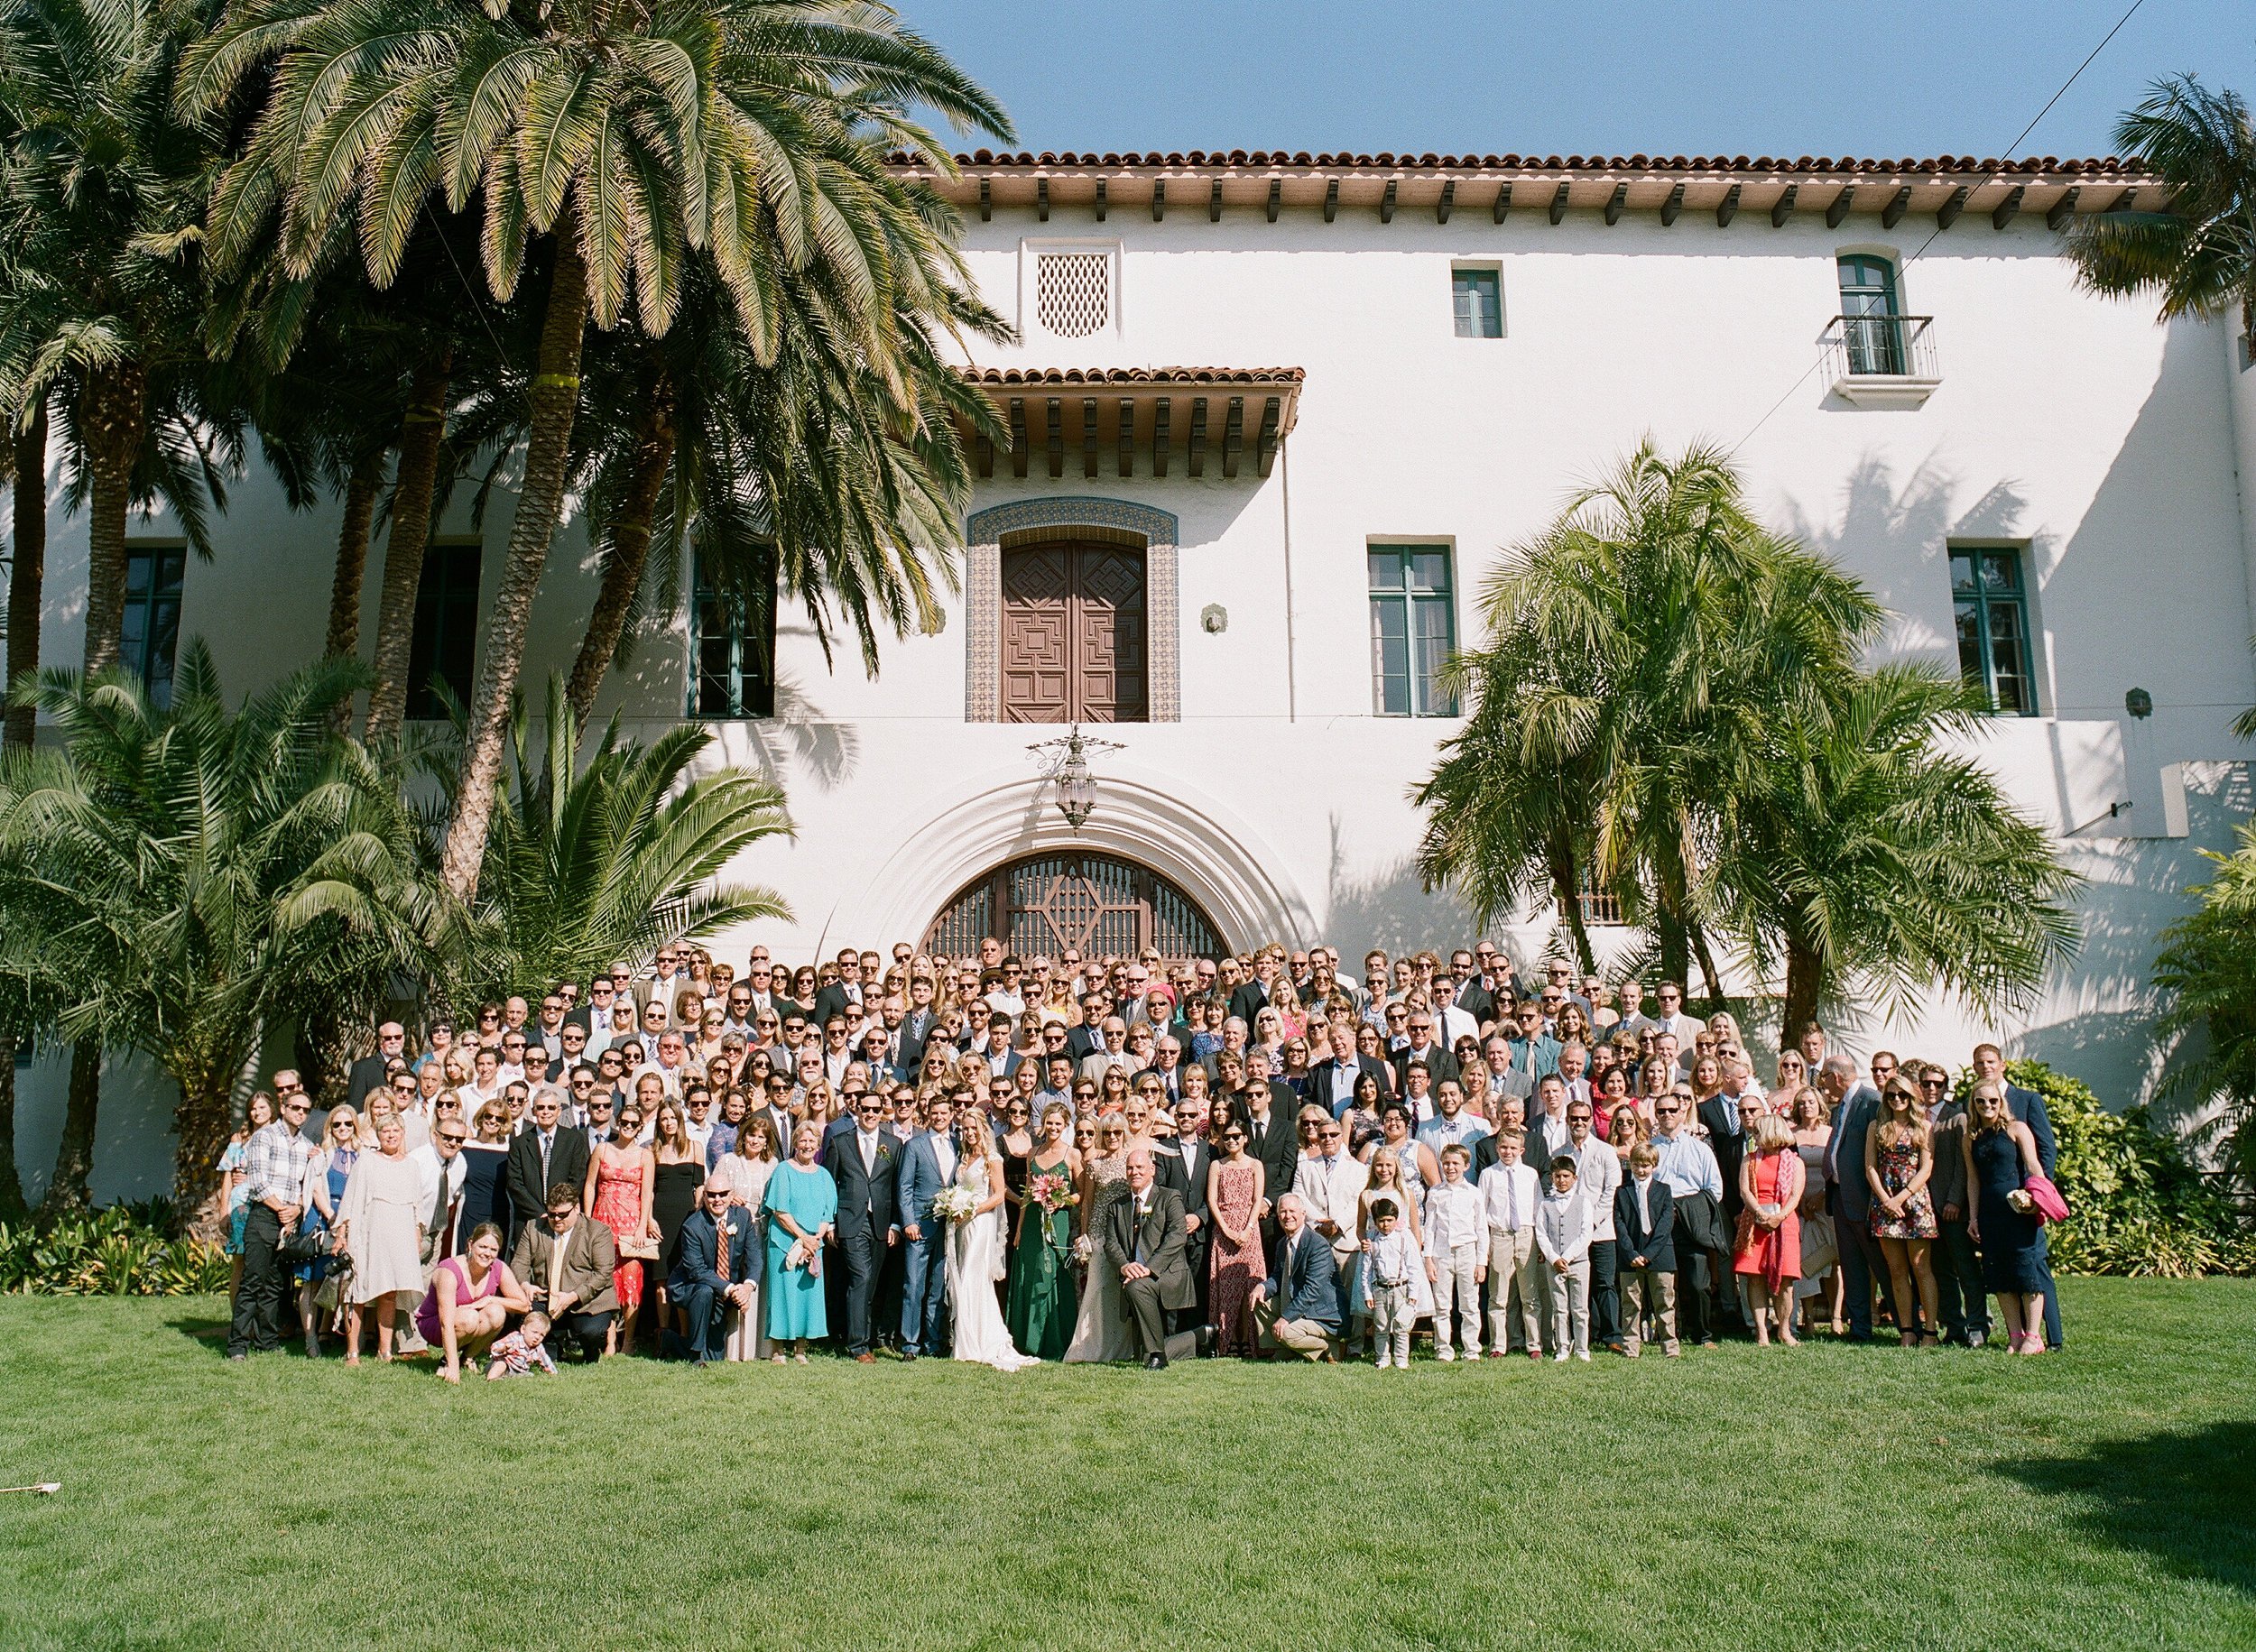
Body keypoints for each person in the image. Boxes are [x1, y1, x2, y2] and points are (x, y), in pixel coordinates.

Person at [945, 1112, 1038, 1370]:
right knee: (964, 1276)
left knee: (974, 1279)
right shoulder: (964, 1157)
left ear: (982, 1129)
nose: (969, 1133)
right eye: (965, 1128)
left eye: (973, 1128)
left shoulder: (992, 1158)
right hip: (963, 1226)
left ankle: (982, 1341)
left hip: (981, 1223)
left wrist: (971, 1210)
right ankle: (966, 1343)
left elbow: (998, 1195)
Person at [1965, 1080, 2049, 1355]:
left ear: (2001, 1102)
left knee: (2026, 1273)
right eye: (1981, 1102)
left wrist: (2039, 1203)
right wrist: (1973, 1218)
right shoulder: (1971, 1135)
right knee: (2000, 1276)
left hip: (2018, 1211)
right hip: (1990, 1214)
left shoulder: (2017, 1129)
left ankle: (2034, 1336)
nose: (1987, 1106)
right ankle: (2015, 1335)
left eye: (1993, 1101)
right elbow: (1972, 1180)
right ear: (1973, 1104)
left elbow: (2034, 1166)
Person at [227, 1088, 311, 1361]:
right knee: (253, 1280)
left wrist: (296, 1209)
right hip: (264, 1215)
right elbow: (258, 1181)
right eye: (295, 1107)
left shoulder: (305, 1145)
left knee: (276, 1283)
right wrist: (281, 1209)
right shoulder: (264, 1137)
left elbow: (305, 1186)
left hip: (288, 1221)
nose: (300, 1112)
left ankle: (267, 1340)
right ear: (283, 1108)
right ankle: (238, 1344)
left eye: (305, 1110)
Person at [336, 1114, 425, 1365]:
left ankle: (384, 1350)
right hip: (369, 1233)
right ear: (378, 1134)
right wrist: (344, 1232)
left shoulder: (411, 1165)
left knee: (389, 1292)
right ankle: (352, 1350)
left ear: (402, 1133)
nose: (391, 1135)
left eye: (395, 1130)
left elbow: (417, 1206)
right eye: (385, 1130)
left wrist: (417, 1236)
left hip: (400, 1235)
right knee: (360, 1291)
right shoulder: (366, 1161)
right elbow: (351, 1199)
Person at [820, 1091, 900, 1362]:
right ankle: (858, 1346)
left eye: (875, 1110)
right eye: (865, 1109)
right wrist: (829, 1222)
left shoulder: (893, 1143)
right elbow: (829, 1184)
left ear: (882, 1112)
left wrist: (896, 1225)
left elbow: (896, 1186)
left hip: (879, 1222)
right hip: (850, 1220)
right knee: (861, 1278)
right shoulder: (840, 1142)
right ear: (857, 1110)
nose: (870, 1114)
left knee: (871, 1284)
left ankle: (863, 1337)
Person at [509, 1180, 620, 1362]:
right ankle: (553, 1350)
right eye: (552, 1214)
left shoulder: (598, 1232)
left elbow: (603, 1274)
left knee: (590, 1332)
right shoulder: (533, 1227)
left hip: (586, 1301)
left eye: (563, 1214)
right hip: (546, 1298)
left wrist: (574, 1296)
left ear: (576, 1208)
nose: (556, 1219)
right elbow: (519, 1262)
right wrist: (525, 1284)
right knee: (523, 1318)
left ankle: (592, 1352)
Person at [1866, 1077, 1941, 1346]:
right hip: (1885, 1204)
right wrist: (1887, 1200)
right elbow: (1871, 1167)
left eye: (1902, 1095)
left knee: (1922, 1268)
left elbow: (1926, 1168)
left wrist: (1902, 1197)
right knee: (1896, 1270)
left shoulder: (1923, 1127)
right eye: (1891, 1095)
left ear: (1911, 1097)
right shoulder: (1877, 1127)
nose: (1897, 1099)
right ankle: (1907, 1330)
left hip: (1915, 1203)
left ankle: (1930, 1331)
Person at [1006, 1101, 1081, 1359]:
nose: (1053, 1127)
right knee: (1031, 1275)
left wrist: (1061, 1200)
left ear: (1065, 1125)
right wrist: (1017, 1230)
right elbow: (1027, 1195)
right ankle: (1028, 1341)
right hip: (1032, 1224)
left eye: (1058, 1124)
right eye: (1049, 1122)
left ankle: (1054, 1340)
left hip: (1058, 1222)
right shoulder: (1032, 1153)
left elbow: (1081, 1194)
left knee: (1052, 1276)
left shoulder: (1073, 1155)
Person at [416, 1222, 529, 1382]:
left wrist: (490, 1299)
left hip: (469, 1321)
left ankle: (468, 1358)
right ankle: (448, 1361)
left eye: (493, 1250)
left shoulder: (498, 1268)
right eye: (482, 1247)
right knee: (469, 1318)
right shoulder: (449, 1271)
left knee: (497, 1312)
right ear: (470, 1244)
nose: (487, 1253)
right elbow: (446, 1323)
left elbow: (524, 1305)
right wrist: (452, 1368)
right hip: (435, 1324)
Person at [585, 1104, 657, 1356]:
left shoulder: (645, 1155)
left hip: (630, 1222)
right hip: (603, 1219)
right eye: (624, 1122)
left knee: (630, 1280)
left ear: (640, 1127)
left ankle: (628, 1339)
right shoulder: (602, 1149)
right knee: (605, 1280)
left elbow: (647, 1193)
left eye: (633, 1124)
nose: (627, 1127)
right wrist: (587, 1219)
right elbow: (590, 1185)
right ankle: (609, 1340)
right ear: (618, 1122)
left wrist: (642, 1226)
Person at [766, 1122, 839, 1362]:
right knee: (782, 1295)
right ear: (795, 1143)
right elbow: (780, 1211)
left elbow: (827, 1215)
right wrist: (802, 1238)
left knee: (806, 1296)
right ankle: (778, 1350)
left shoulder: (824, 1175)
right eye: (802, 1141)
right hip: (785, 1243)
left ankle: (800, 1350)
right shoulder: (783, 1170)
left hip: (812, 1247)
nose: (807, 1146)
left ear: (818, 1146)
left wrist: (814, 1240)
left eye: (812, 1141)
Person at [1733, 1112, 1806, 1346]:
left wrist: (1779, 1217)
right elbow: (1745, 1191)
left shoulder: (1795, 1162)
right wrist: (1760, 1214)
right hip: (1756, 1222)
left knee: (1786, 1281)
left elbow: (1796, 1194)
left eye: (1757, 1132)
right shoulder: (1750, 1159)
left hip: (1785, 1223)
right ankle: (1761, 1331)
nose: (1754, 1136)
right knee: (1755, 1278)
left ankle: (1784, 1330)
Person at [895, 1091, 958, 1361]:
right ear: (927, 1116)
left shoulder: (958, 1144)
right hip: (919, 1225)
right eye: (935, 1113)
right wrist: (908, 1221)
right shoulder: (915, 1145)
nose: (939, 1117)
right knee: (913, 1286)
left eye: (944, 1113)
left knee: (937, 1286)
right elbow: (904, 1186)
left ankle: (934, 1341)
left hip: (948, 1225)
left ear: (951, 1115)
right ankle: (910, 1343)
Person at [669, 1179, 758, 1365]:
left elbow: (755, 1256)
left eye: (723, 1194)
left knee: (715, 1358)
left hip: (724, 1289)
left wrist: (747, 1288)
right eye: (711, 1195)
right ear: (704, 1196)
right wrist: (732, 1289)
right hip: (689, 1286)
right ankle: (695, 1355)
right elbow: (696, 1271)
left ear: (731, 1195)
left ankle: (669, 1340)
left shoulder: (742, 1217)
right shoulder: (692, 1226)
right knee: (704, 1290)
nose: (717, 1199)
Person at [293, 1103, 358, 1358]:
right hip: (322, 1219)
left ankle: (344, 1337)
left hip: (350, 1220)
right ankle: (310, 1339)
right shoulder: (321, 1154)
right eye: (337, 1124)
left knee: (344, 1280)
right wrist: (334, 1218)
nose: (342, 1128)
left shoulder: (362, 1156)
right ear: (330, 1127)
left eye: (348, 1124)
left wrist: (347, 1222)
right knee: (312, 1280)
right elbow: (315, 1189)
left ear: (355, 1126)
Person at [1251, 1194, 1343, 1361]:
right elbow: (1278, 1277)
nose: (1288, 1216)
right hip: (1297, 1304)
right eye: (1283, 1212)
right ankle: (1287, 1349)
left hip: (1321, 1314)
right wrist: (1262, 1287)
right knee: (1258, 1300)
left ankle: (1329, 1346)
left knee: (1286, 1332)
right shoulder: (1282, 1244)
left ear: (1303, 1213)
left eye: (1292, 1211)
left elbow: (1313, 1290)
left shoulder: (1318, 1245)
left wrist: (1285, 1318)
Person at [1478, 1127, 1544, 1360]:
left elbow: (1538, 1210)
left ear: (1521, 1150)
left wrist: (1539, 1244)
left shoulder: (1531, 1175)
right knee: (1498, 1296)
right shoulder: (1488, 1175)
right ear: (1497, 1148)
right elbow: (1482, 1212)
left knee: (1530, 1295)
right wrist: (1484, 1247)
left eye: (1513, 1148)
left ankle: (1533, 1344)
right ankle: (1498, 1345)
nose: (1508, 1152)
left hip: (1526, 1234)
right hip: (1500, 1235)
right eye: (1503, 1147)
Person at [1204, 1113, 1265, 1357]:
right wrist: (1227, 1230)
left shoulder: (1255, 1165)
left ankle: (1249, 1340)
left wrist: (1248, 1228)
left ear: (1245, 1139)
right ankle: (1227, 1341)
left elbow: (1257, 1199)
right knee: (1226, 1288)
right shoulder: (1217, 1165)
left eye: (1236, 1137)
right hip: (1224, 1229)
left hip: (1249, 1231)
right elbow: (1211, 1200)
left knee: (1249, 1286)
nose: (1231, 1141)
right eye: (1227, 1137)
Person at [504, 1085, 589, 1251]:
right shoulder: (520, 1143)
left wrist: (557, 1210)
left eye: (551, 1107)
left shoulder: (574, 1139)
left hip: (563, 1218)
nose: (545, 1112)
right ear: (534, 1111)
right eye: (540, 1108)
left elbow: (577, 1178)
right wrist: (541, 1213)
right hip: (529, 1219)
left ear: (559, 1111)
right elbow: (514, 1183)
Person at [1614, 1142, 1678, 1358]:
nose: (1641, 1170)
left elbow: (1665, 1224)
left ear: (1654, 1165)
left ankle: (1670, 1346)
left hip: (1660, 1256)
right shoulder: (1622, 1191)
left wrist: (1649, 1254)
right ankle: (1631, 1347)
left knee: (1664, 1302)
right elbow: (1619, 1224)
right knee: (1630, 1303)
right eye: (1636, 1165)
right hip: (1630, 1256)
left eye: (1645, 1165)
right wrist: (1631, 1253)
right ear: (1630, 1165)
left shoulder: (1664, 1190)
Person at [1421, 1143, 1484, 1361]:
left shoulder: (1474, 1193)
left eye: (1455, 1163)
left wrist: (1481, 1262)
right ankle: (1443, 1349)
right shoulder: (1435, 1193)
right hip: (1441, 1253)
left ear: (1466, 1166)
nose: (1450, 1167)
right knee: (1442, 1305)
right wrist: (1427, 1258)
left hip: (1467, 1252)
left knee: (1469, 1303)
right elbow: (1430, 1227)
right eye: (1446, 1163)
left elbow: (1481, 1229)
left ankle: (1471, 1349)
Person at [1536, 1153, 1593, 1361]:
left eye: (1566, 1176)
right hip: (1554, 1264)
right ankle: (1562, 1347)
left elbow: (1585, 1233)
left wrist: (1566, 1257)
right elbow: (1541, 1233)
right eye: (1558, 1176)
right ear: (1552, 1177)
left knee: (1580, 1308)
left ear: (1574, 1178)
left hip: (1578, 1263)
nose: (1562, 1180)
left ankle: (1582, 1347)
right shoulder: (1545, 1204)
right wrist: (1553, 1257)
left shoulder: (1583, 1202)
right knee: (1559, 1308)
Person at [1361, 1196, 1419, 1370]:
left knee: (1402, 1325)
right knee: (1380, 1326)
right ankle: (1382, 1357)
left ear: (1396, 1220)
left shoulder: (1403, 1239)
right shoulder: (1371, 1241)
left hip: (1400, 1287)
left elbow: (1413, 1267)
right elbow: (1367, 1270)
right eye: (1381, 1221)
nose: (1385, 1225)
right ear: (1375, 1221)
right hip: (1380, 1288)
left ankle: (1401, 1358)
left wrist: (1413, 1294)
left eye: (1389, 1220)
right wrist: (1367, 1293)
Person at [485, 1311, 558, 1380]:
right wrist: (504, 1348)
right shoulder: (515, 1338)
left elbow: (546, 1361)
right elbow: (495, 1347)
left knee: (530, 1375)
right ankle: (491, 1379)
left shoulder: (538, 1347)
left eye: (542, 1335)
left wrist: (553, 1374)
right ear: (523, 1329)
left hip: (519, 1371)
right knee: (501, 1364)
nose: (537, 1337)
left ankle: (508, 1378)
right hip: (503, 1365)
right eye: (534, 1332)